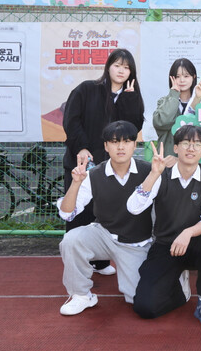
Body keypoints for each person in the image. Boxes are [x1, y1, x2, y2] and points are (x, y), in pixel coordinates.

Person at [129, 125, 201, 327]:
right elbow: (134, 208)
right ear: (175, 148)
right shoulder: (161, 174)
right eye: (185, 143)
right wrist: (153, 174)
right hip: (166, 245)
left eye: (197, 144)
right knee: (145, 308)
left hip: (197, 243)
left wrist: (188, 233)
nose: (191, 148)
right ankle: (180, 292)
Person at [62, 48, 145, 274]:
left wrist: (129, 100)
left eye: (126, 67)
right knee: (79, 212)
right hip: (83, 162)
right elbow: (71, 120)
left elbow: (133, 129)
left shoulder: (132, 95)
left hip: (111, 167)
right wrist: (81, 147)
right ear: (108, 67)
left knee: (106, 212)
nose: (121, 71)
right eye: (117, 65)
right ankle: (78, 263)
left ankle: (100, 262)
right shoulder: (87, 89)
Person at [57, 121, 152, 316]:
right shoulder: (93, 174)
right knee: (71, 240)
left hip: (136, 243)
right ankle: (81, 295)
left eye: (126, 141)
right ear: (106, 146)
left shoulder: (150, 171)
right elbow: (67, 213)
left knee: (140, 299)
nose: (120, 147)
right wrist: (75, 184)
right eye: (115, 142)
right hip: (105, 234)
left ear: (135, 145)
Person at [152, 58, 201, 157]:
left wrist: (197, 98)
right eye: (177, 76)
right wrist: (174, 94)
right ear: (172, 78)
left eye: (186, 76)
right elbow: (162, 122)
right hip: (168, 159)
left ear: (194, 77)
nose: (182, 80)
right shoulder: (164, 102)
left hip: (194, 159)